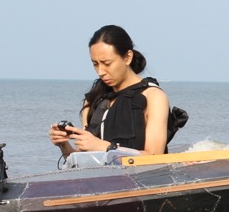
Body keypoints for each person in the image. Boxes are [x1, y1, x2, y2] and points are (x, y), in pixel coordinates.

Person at [49, 25, 172, 168]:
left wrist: (104, 147)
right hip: (99, 185)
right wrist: (63, 145)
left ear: (127, 57)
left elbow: (155, 157)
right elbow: (81, 164)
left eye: (107, 63)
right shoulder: (92, 100)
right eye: (95, 64)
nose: (100, 71)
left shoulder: (154, 97)